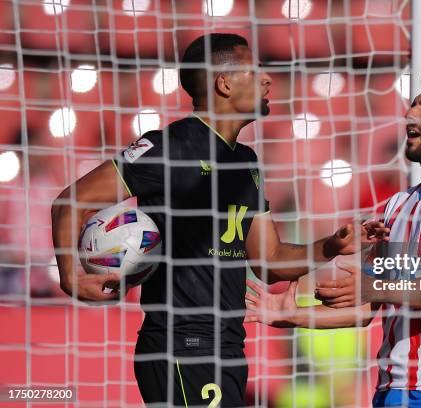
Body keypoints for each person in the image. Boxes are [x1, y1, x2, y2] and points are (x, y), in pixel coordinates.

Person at [51, 33, 388, 407]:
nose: (266, 79)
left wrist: (332, 246)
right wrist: (70, 277)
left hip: (227, 343)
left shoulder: (246, 162)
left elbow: (270, 261)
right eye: (253, 70)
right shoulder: (168, 147)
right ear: (224, 83)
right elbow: (72, 201)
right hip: (181, 342)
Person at [247, 70, 421, 408]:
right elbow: (366, 309)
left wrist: (376, 287)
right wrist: (296, 315)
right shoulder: (394, 208)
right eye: (413, 105)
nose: (410, 113)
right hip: (388, 389)